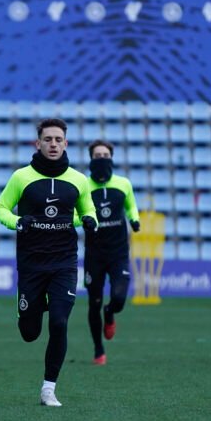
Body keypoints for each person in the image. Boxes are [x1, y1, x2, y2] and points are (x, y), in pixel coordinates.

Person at [0, 118, 97, 407]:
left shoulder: (78, 180)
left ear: (65, 143)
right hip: (31, 265)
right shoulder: (21, 177)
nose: (53, 144)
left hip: (64, 263)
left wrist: (89, 220)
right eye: (48, 139)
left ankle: (48, 388)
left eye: (58, 139)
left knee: (60, 322)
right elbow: (0, 208)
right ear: (37, 143)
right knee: (30, 333)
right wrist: (18, 222)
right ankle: (30, 306)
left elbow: (87, 210)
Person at [82, 139, 140, 365]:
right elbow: (78, 213)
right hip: (94, 255)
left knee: (118, 298)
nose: (102, 159)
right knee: (93, 303)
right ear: (91, 158)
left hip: (118, 253)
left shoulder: (123, 183)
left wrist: (134, 219)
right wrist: (83, 221)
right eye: (97, 155)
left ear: (111, 157)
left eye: (105, 155)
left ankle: (111, 312)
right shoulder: (84, 185)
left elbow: (131, 205)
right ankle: (98, 349)